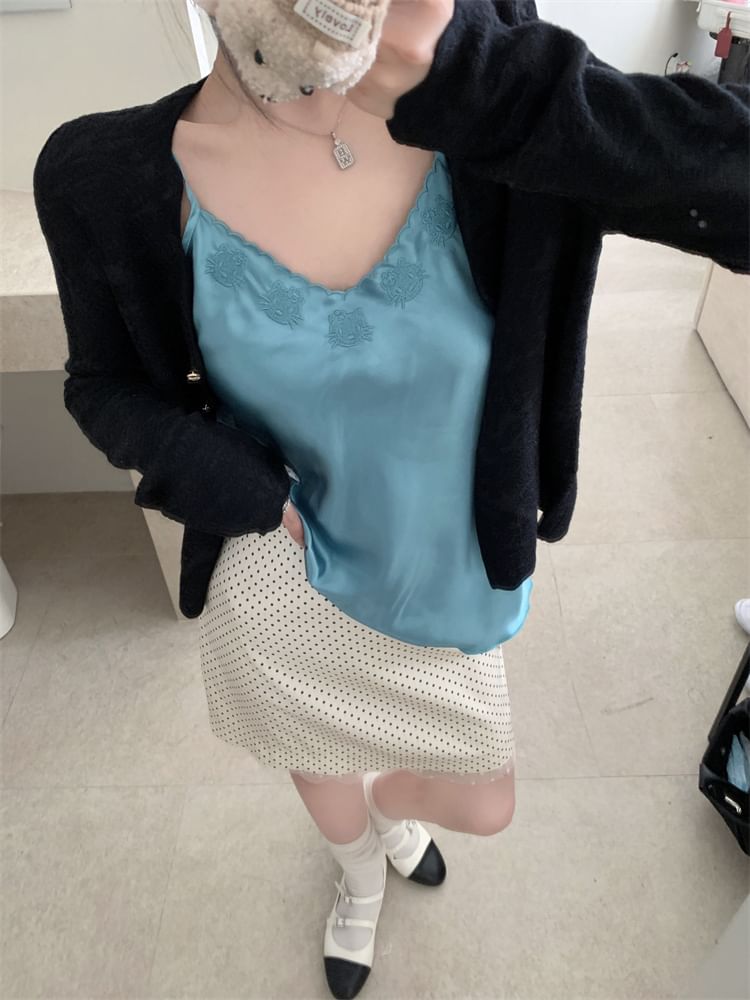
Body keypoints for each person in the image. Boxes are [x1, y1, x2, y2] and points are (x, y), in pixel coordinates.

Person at [32, 1, 749, 996]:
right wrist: (248, 490)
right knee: (324, 774)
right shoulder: (103, 171)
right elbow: (100, 386)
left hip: (446, 569)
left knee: (486, 801)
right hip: (282, 570)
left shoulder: (491, 98)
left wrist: (476, 79)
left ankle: (389, 814)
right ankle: (359, 876)